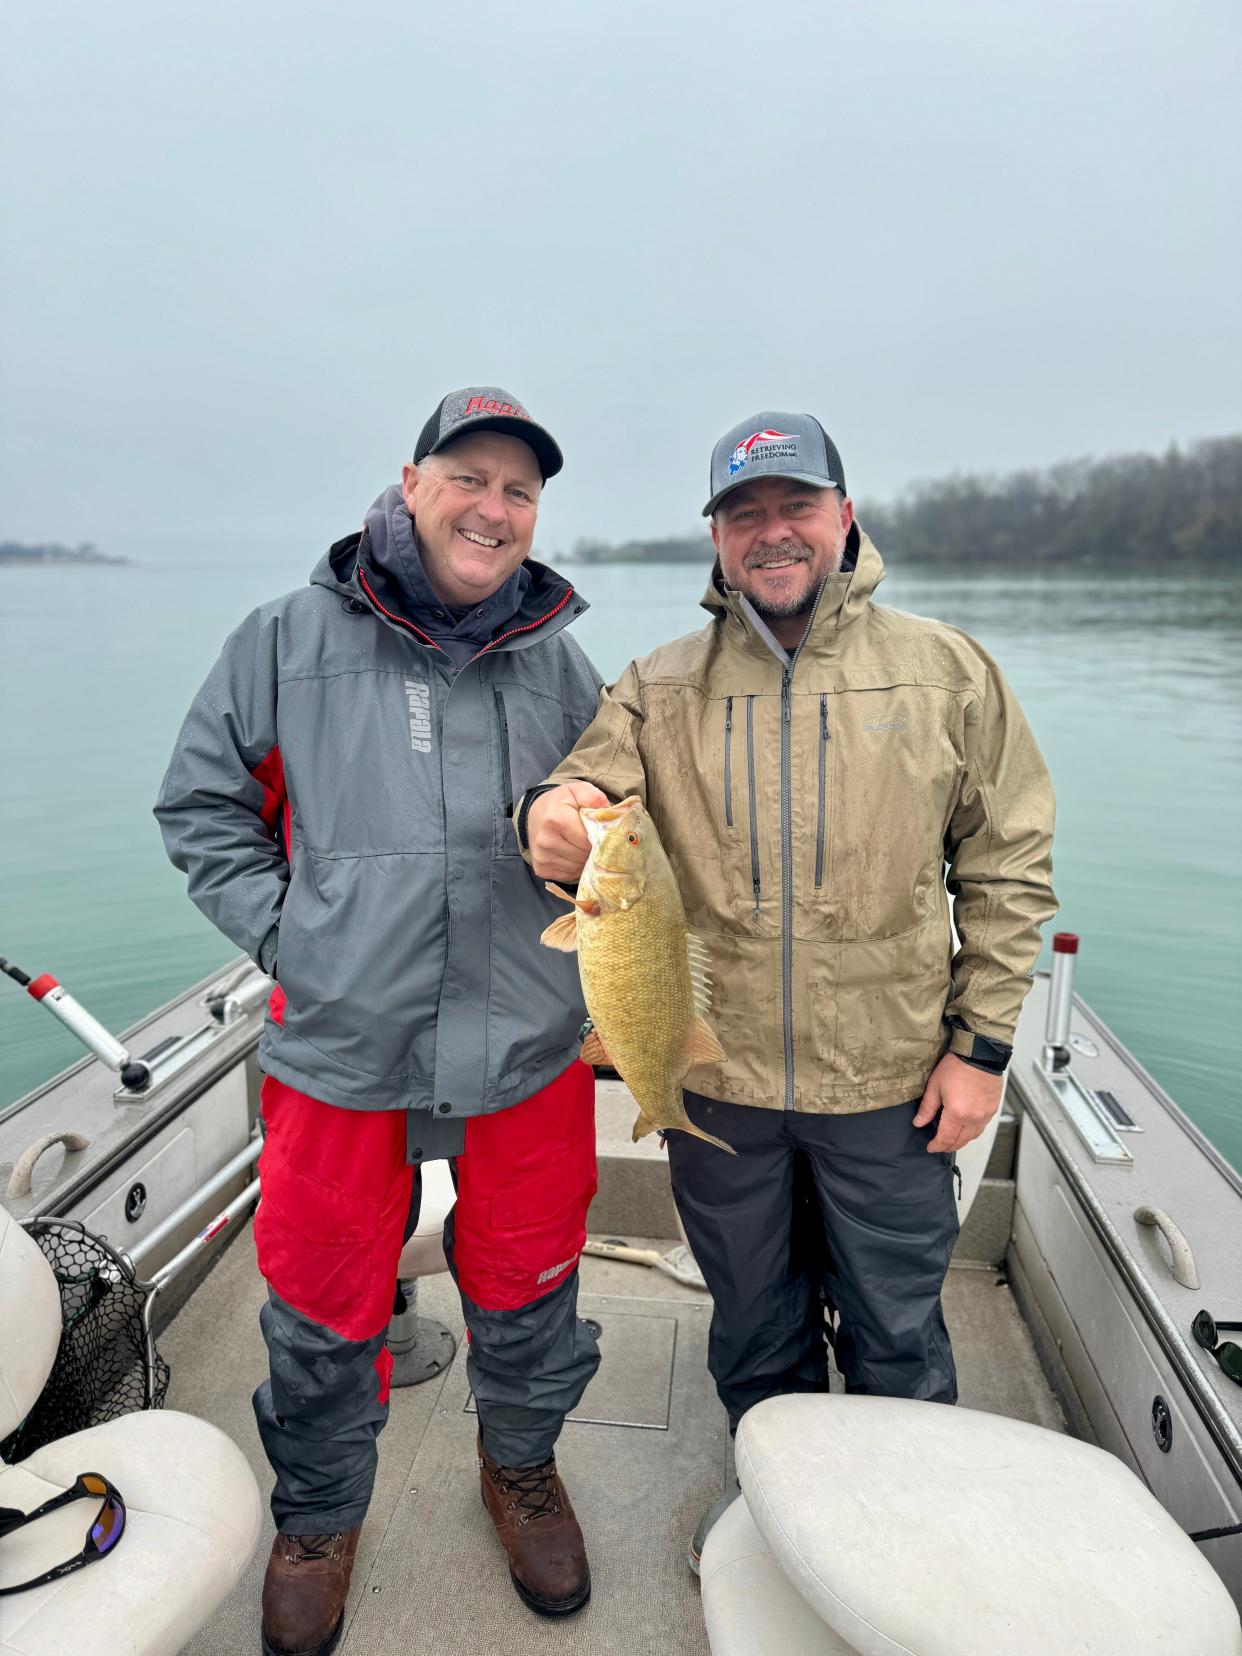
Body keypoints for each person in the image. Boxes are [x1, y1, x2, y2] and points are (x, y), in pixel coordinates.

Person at [519, 410, 1057, 1568]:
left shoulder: (950, 671)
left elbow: (1010, 868)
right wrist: (551, 819)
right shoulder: (657, 687)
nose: (772, 534)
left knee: (899, 1322)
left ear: (845, 517)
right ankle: (779, 1503)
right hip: (723, 1087)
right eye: (743, 514)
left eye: (794, 506)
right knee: (753, 1322)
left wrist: (982, 1047)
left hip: (894, 1076)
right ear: (716, 540)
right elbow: (578, 789)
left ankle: (898, 1527)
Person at [155, 387, 605, 1655]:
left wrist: (597, 850)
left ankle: (516, 1468)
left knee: (531, 1283)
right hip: (343, 1047)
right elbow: (201, 807)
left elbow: (624, 814)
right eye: (471, 477)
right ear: (410, 486)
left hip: (522, 1038)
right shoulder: (287, 638)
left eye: (520, 491)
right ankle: (318, 1519)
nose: (495, 508)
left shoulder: (562, 657)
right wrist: (295, 936)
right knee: (319, 1299)